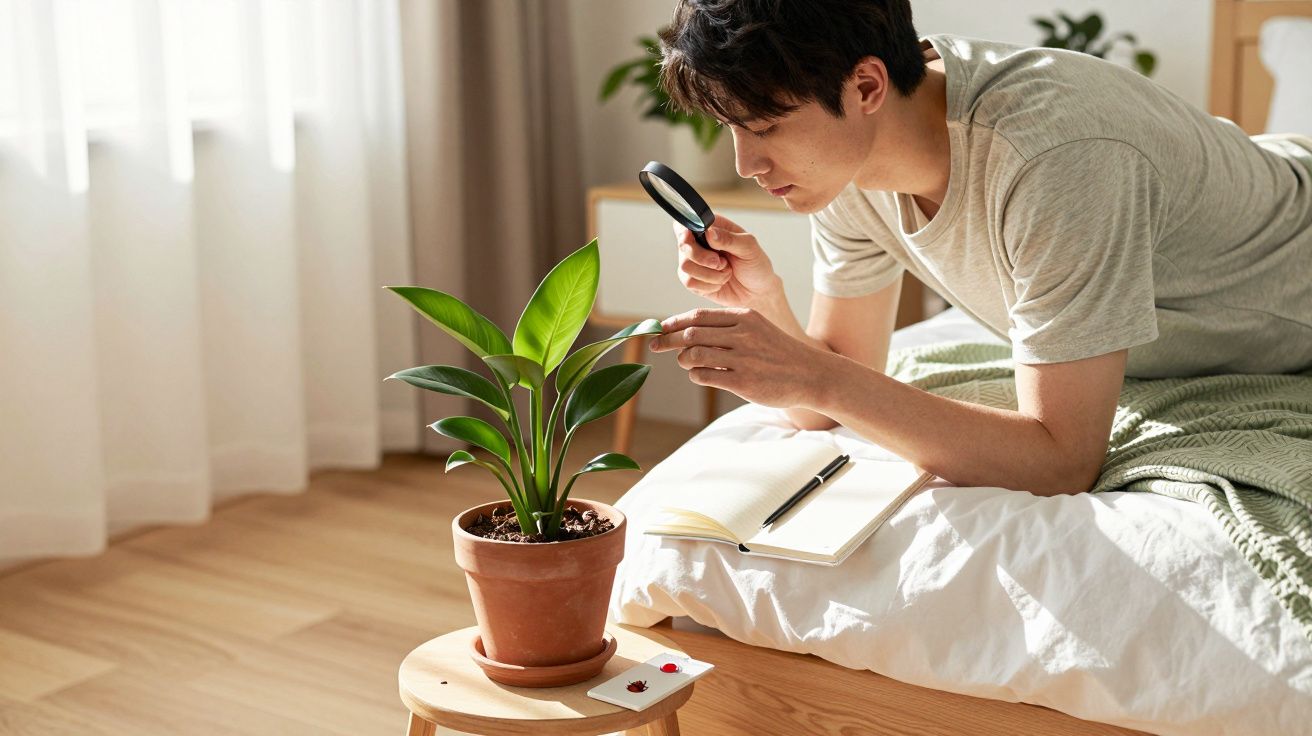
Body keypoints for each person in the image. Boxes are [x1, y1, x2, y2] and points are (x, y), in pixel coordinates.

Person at [643, 0, 1312, 495]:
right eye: (732, 127)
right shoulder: (845, 169)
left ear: (867, 86)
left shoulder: (1055, 157)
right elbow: (825, 399)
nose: (747, 164)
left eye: (765, 127)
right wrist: (765, 304)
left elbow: (1061, 462)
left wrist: (822, 377)